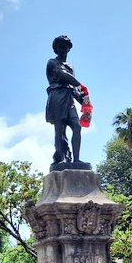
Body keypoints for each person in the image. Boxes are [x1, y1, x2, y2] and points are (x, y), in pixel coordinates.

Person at [45, 35, 85, 166]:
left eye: (66, 47)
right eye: (60, 47)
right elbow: (62, 75)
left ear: (69, 49)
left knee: (77, 127)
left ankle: (77, 159)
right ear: (56, 49)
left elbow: (73, 87)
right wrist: (81, 86)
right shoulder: (52, 62)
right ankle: (61, 157)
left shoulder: (71, 66)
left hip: (69, 99)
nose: (63, 49)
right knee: (60, 130)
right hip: (57, 97)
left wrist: (83, 99)